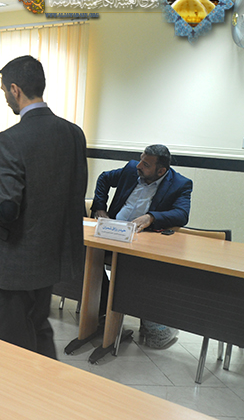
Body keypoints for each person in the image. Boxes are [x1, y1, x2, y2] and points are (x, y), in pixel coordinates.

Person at [0, 55, 87, 358]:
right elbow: (74, 193)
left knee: (16, 342)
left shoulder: (11, 139)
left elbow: (6, 209)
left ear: (15, 89)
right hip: (52, 255)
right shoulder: (73, 133)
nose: (5, 98)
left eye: (4, 91)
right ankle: (45, 381)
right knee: (39, 325)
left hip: (16, 260)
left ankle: (21, 388)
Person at [91, 144, 192, 348]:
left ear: (160, 171)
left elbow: (182, 214)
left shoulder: (180, 184)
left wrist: (151, 217)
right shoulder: (131, 169)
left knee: (139, 271)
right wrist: (100, 208)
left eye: (145, 164)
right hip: (110, 233)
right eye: (140, 160)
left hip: (140, 242)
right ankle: (100, 310)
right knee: (87, 257)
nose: (139, 166)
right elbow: (104, 178)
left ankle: (151, 325)